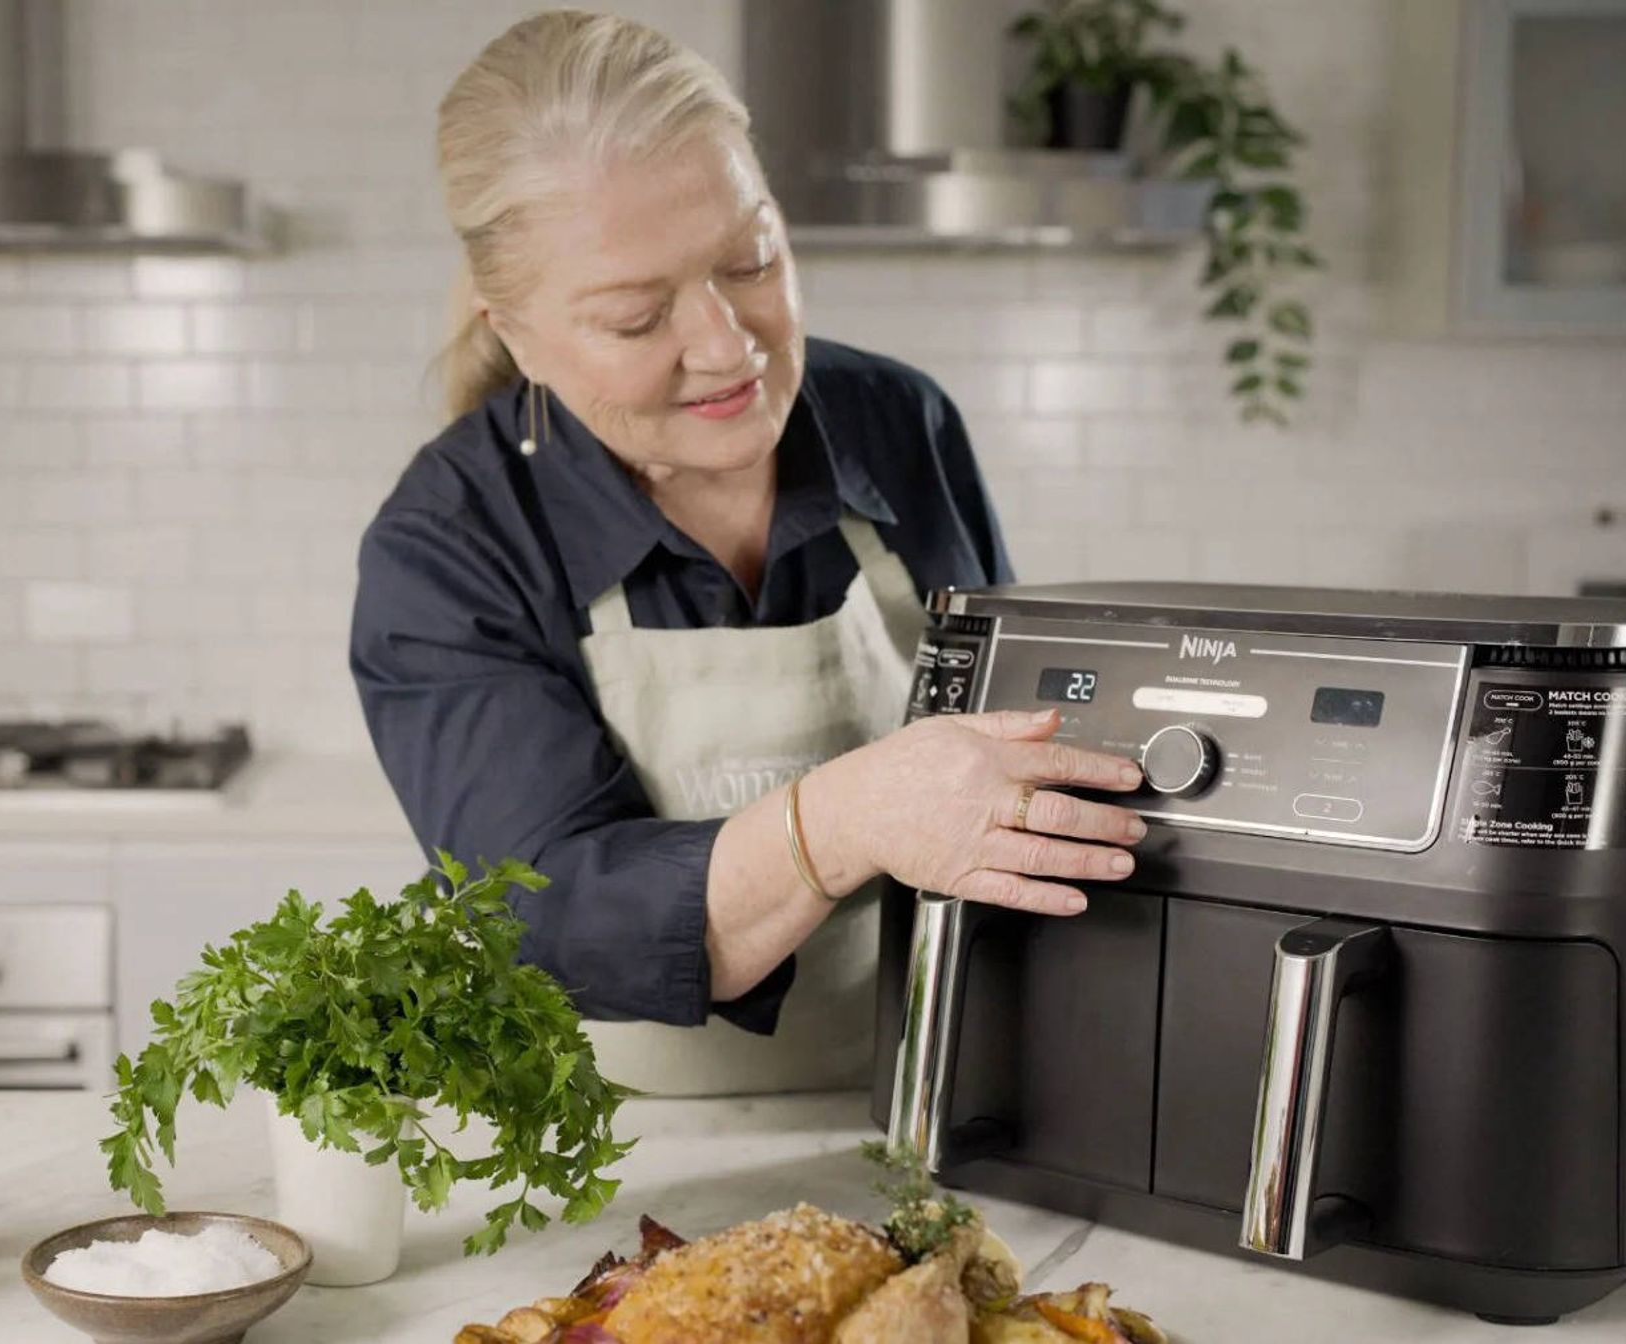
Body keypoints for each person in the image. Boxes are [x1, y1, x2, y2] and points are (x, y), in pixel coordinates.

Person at [349, 9, 1145, 1096]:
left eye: (752, 260)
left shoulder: (899, 424)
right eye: (637, 318)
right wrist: (844, 819)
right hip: (625, 1148)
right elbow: (545, 921)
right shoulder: (450, 542)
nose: (728, 347)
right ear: (517, 335)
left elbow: (1009, 762)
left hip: (929, 1102)